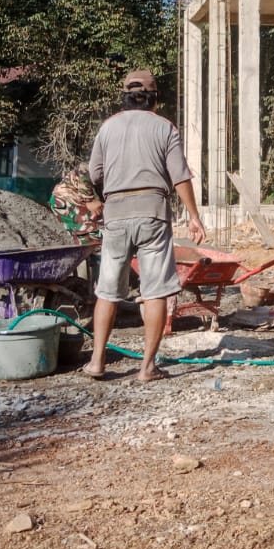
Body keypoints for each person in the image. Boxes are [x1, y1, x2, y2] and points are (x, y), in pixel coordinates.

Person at [82, 70, 205, 382]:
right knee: (155, 292)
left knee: (107, 291)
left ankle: (96, 362)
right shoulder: (164, 127)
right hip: (152, 212)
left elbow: (94, 174)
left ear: (124, 97)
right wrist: (194, 216)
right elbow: (180, 176)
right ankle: (147, 367)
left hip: (115, 213)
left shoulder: (107, 127)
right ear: (155, 99)